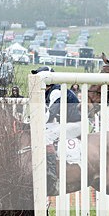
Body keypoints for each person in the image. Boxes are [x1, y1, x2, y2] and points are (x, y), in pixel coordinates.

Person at [32, 66, 82, 196]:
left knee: (46, 136)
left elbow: (50, 115)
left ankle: (52, 174)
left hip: (76, 124)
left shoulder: (56, 92)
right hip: (66, 122)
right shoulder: (49, 91)